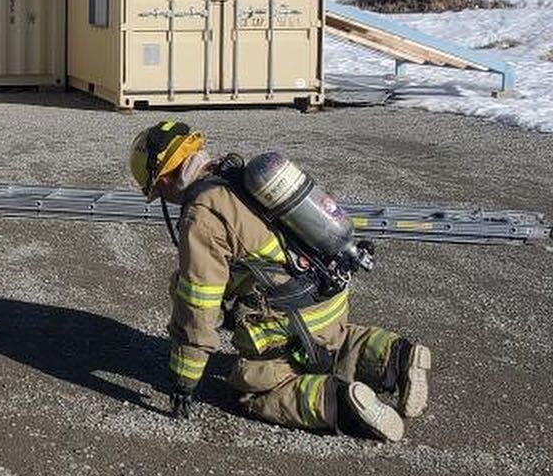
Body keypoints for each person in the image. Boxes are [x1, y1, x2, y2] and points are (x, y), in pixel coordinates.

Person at [129, 121, 432, 442]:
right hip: (330, 298)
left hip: (292, 320)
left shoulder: (203, 214)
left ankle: (342, 404)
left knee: (254, 387)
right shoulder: (240, 177)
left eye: (158, 191)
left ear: (164, 179)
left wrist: (184, 380)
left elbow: (198, 304)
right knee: (338, 343)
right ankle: (398, 357)